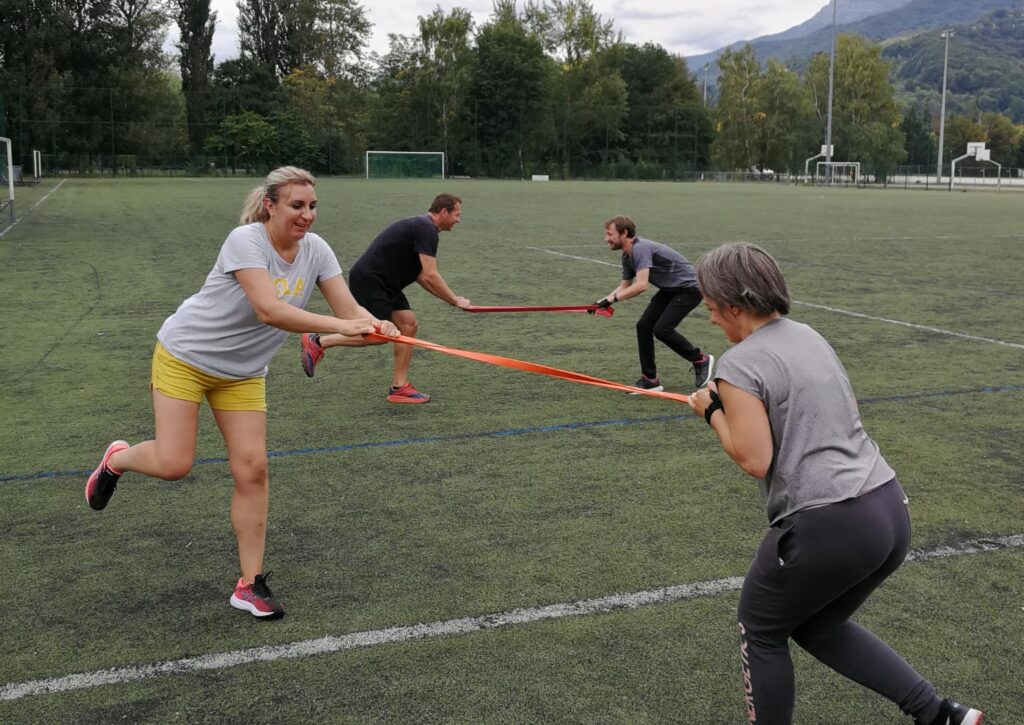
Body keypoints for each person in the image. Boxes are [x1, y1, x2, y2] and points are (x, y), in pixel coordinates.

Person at [687, 242, 982, 725]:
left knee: (760, 628)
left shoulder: (739, 366)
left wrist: (712, 412)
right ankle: (939, 714)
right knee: (819, 624)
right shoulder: (806, 334)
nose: (711, 318)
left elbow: (754, 458)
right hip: (887, 508)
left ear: (734, 305)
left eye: (711, 308)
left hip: (830, 522)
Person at [85, 166, 399, 620]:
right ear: (270, 205)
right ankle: (116, 459)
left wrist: (376, 326)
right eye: (296, 205)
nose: (307, 215)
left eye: (312, 206)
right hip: (186, 356)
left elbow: (349, 311)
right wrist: (343, 325)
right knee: (175, 464)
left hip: (244, 373)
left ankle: (249, 583)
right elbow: (269, 310)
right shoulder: (246, 241)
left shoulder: (317, 251)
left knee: (253, 469)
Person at [299, 193, 470, 404]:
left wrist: (451, 300)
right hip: (372, 281)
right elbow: (430, 274)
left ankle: (399, 388)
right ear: (444, 212)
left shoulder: (422, 227)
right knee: (380, 334)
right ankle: (319, 341)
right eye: (457, 214)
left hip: (388, 284)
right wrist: (455, 300)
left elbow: (421, 276)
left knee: (408, 325)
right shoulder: (427, 229)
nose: (458, 220)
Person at [594, 215, 713, 392]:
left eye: (610, 234)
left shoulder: (640, 248)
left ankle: (700, 359)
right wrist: (600, 303)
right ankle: (650, 380)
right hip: (669, 289)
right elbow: (624, 286)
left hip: (689, 289)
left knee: (661, 329)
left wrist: (612, 299)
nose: (606, 239)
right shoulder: (627, 256)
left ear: (624, 233)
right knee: (643, 326)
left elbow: (641, 286)